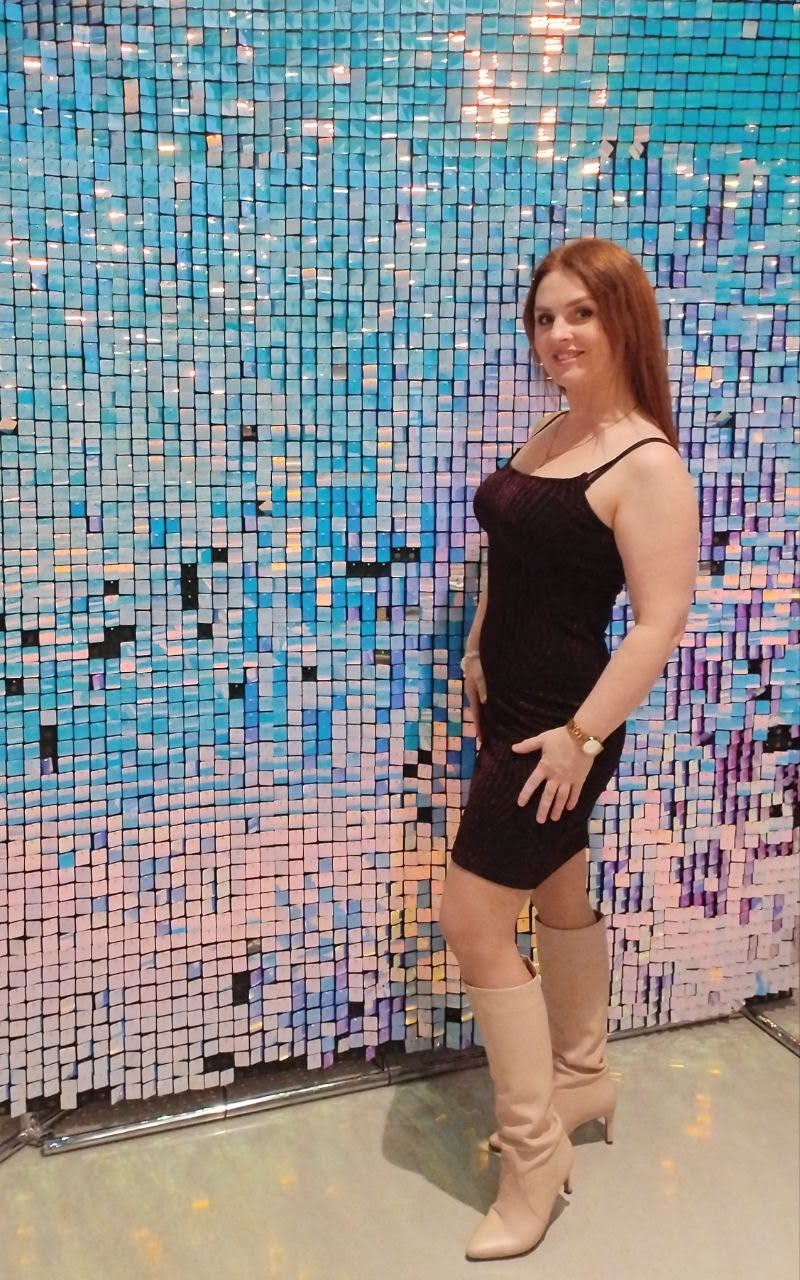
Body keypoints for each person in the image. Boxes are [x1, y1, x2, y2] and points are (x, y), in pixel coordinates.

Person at [438, 237, 699, 1262]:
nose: (558, 334)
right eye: (545, 317)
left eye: (580, 313)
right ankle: (582, 1073)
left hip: (561, 725)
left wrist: (583, 738)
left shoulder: (646, 462)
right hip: (510, 707)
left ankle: (533, 1158)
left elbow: (658, 621)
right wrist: (475, 640)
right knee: (556, 889)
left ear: (624, 319)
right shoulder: (556, 428)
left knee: (471, 918)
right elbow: (512, 554)